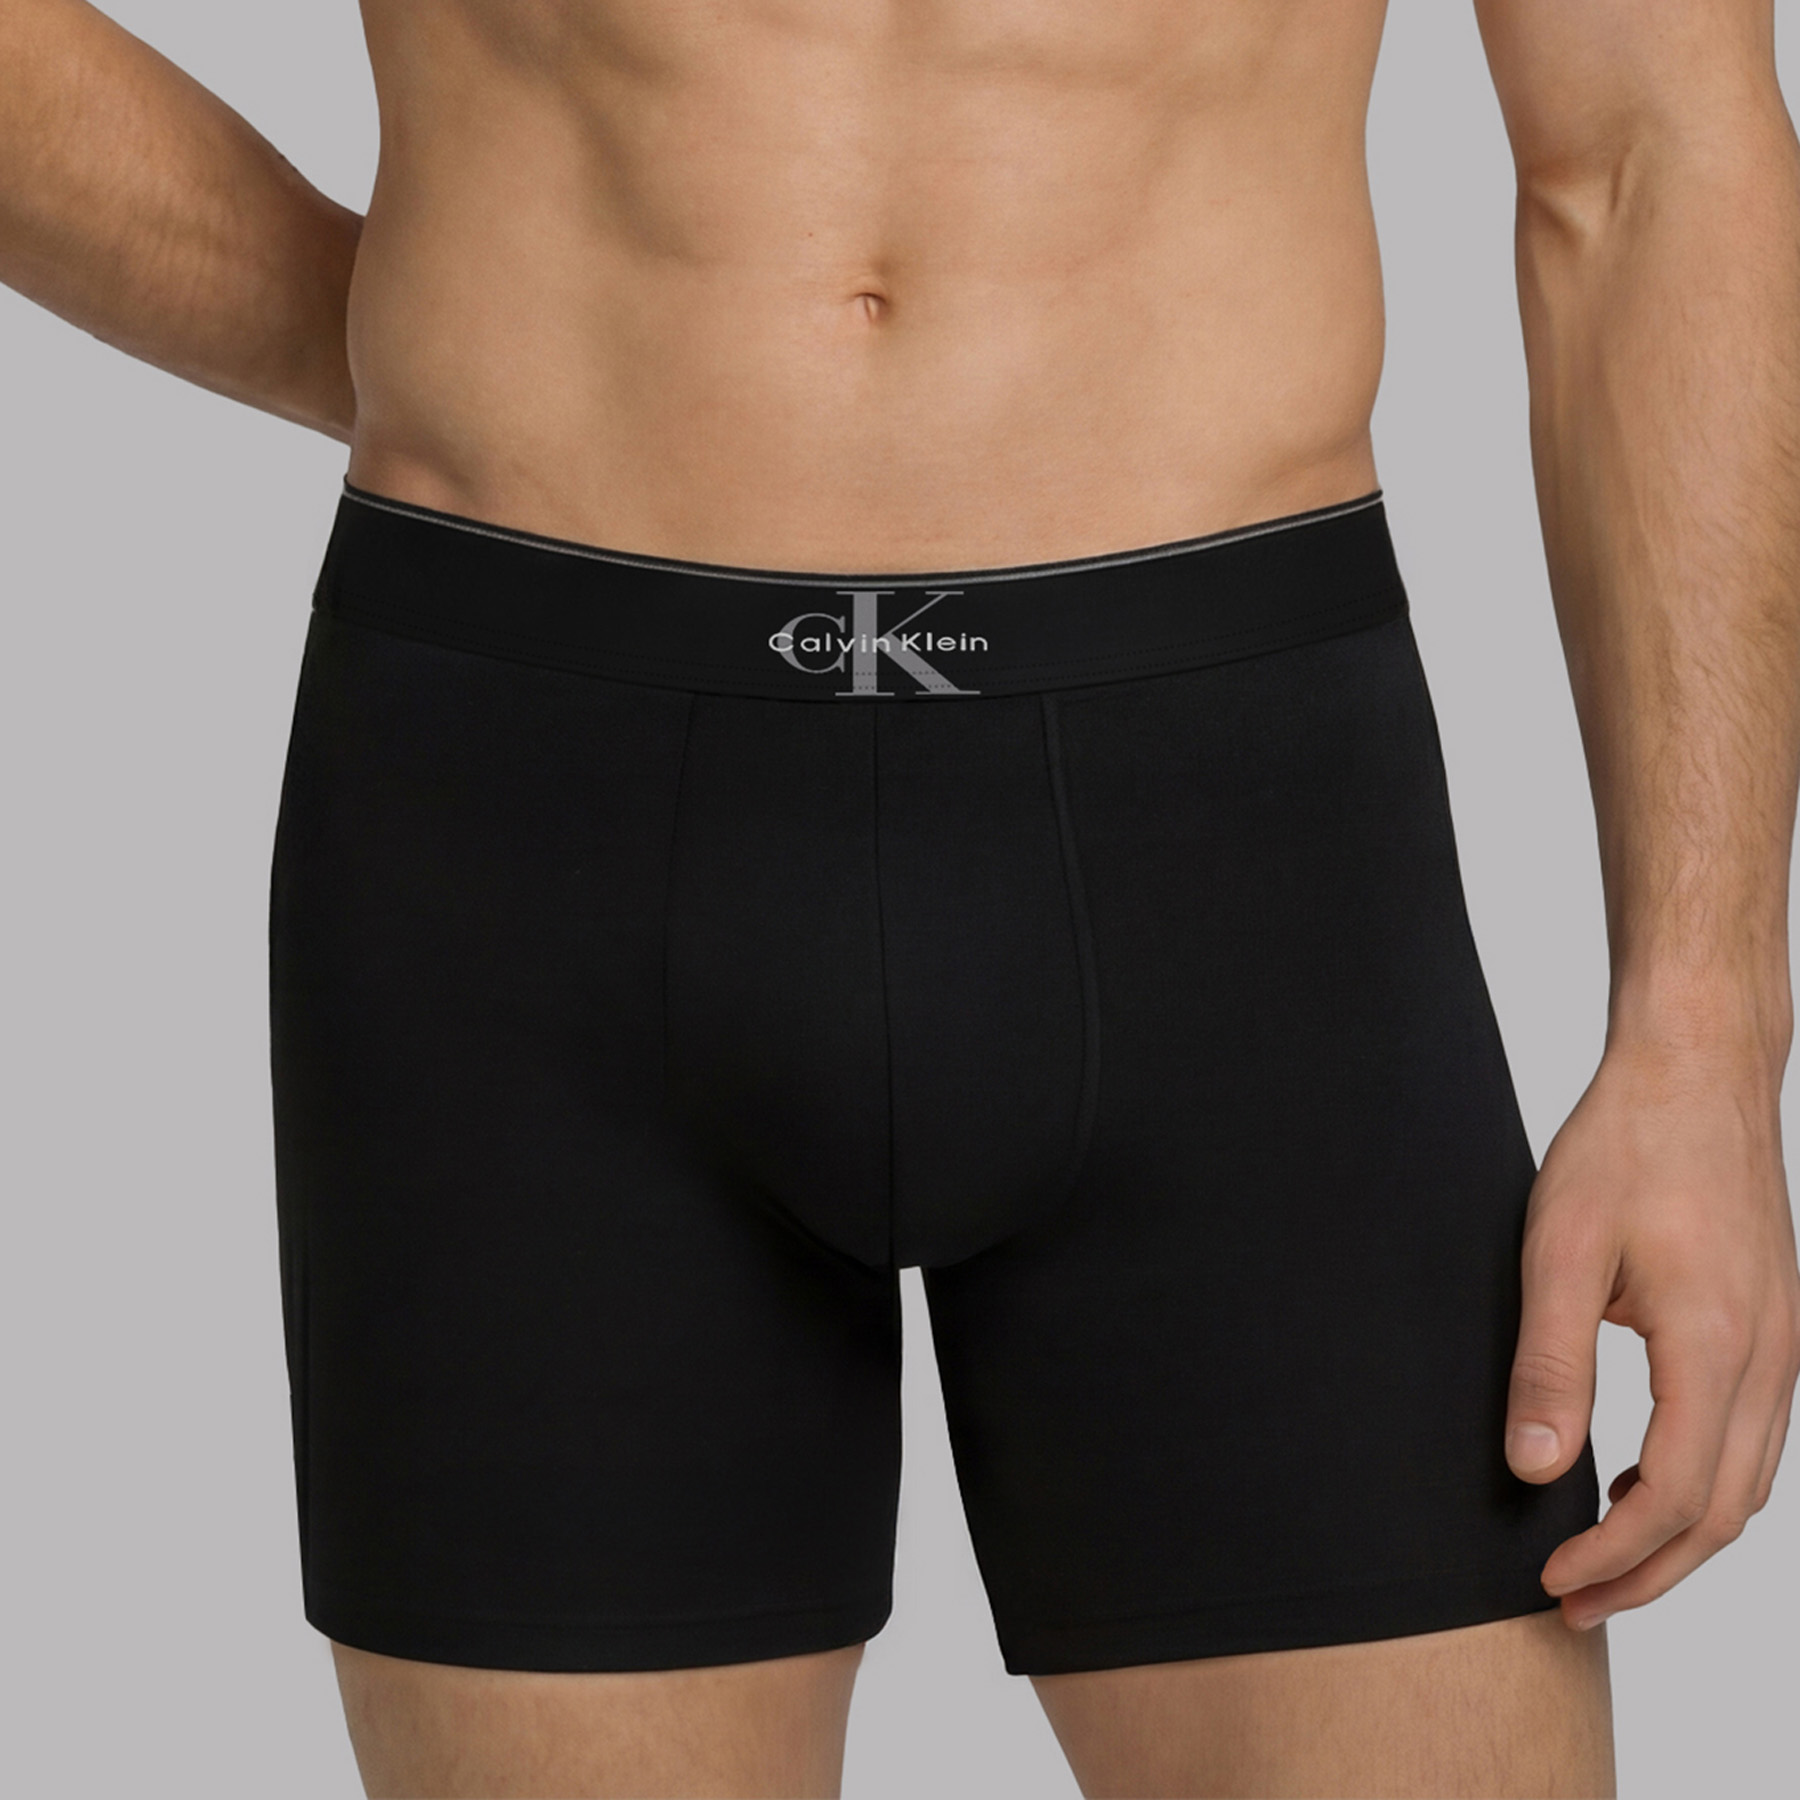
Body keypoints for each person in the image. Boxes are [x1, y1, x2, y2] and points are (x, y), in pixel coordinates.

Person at [5, 1, 1799, 1795]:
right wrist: (446, 347)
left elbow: (1645, 147)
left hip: (1234, 853)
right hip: (529, 841)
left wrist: (1707, 1034)